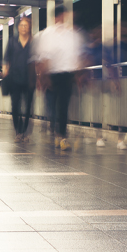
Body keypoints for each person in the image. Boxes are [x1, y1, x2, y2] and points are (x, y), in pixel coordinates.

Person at [33, 8, 88, 151]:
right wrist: (42, 78)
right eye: (63, 16)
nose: (65, 19)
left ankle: (61, 135)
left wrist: (79, 75)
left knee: (63, 106)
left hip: (67, 74)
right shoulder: (47, 34)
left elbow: (78, 57)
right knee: (51, 106)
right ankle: (55, 130)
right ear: (57, 17)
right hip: (50, 75)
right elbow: (43, 57)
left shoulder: (73, 35)